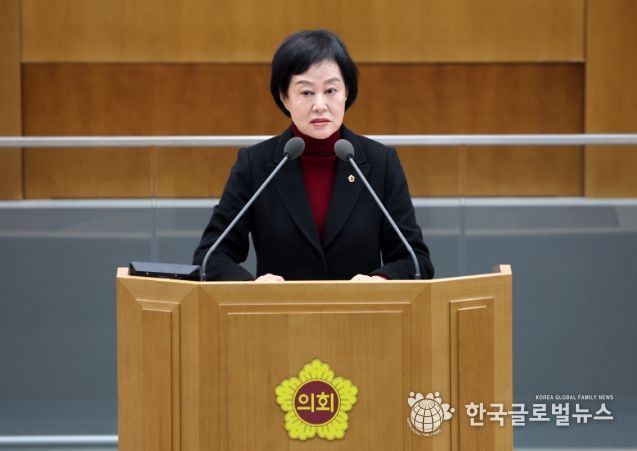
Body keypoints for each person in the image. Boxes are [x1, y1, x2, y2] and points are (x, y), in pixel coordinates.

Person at [193, 29, 434, 282]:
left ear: (346, 92)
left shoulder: (380, 163)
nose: (320, 105)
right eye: (306, 92)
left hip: (360, 307)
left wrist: (380, 281)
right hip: (278, 308)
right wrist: (251, 287)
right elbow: (209, 257)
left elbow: (416, 261)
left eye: (330, 90)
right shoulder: (256, 165)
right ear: (284, 97)